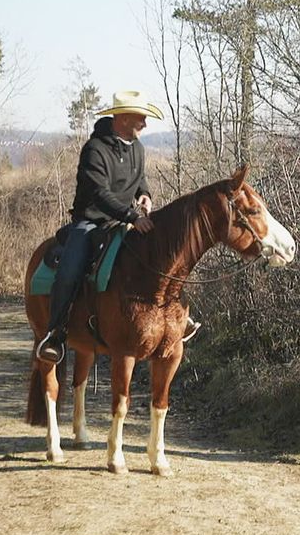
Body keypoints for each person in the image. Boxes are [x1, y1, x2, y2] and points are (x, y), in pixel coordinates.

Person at [35, 91, 200, 364]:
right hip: (91, 223)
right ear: (123, 118)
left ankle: (175, 320)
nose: (145, 124)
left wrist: (144, 194)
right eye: (141, 118)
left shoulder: (137, 148)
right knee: (69, 270)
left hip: (126, 220)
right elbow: (99, 193)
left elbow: (139, 180)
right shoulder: (94, 150)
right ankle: (56, 332)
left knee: (164, 258)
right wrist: (132, 216)